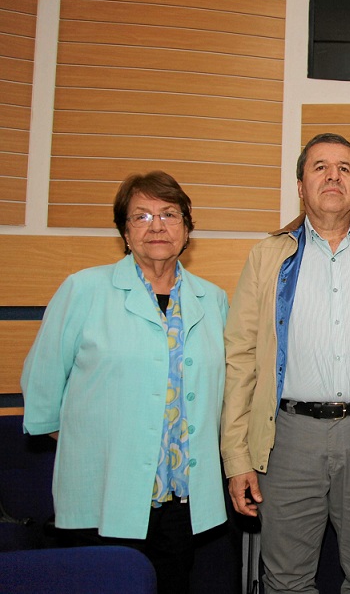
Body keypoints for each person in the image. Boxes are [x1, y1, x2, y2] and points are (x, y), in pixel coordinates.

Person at [221, 132, 350, 594]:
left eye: (344, 168)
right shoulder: (267, 258)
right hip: (287, 439)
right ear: (300, 185)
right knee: (286, 580)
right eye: (319, 167)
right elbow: (241, 362)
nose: (332, 176)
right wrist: (236, 457)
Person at [21, 172, 229, 594]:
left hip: (178, 502)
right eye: (142, 216)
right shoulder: (84, 289)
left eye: (170, 214)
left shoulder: (214, 300)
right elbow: (42, 387)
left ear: (187, 228)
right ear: (124, 231)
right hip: (102, 492)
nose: (157, 225)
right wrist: (94, 443)